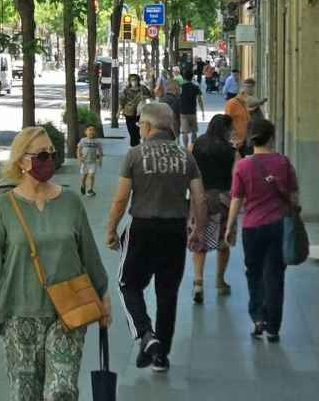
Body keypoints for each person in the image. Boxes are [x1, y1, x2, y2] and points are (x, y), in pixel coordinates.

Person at [0, 127, 110, 401]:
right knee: (25, 394)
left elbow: (89, 253)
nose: (49, 160)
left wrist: (104, 296)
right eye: (42, 155)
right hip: (19, 314)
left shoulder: (70, 202)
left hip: (67, 313)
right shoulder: (5, 207)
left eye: (52, 154)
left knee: (61, 391)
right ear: (21, 161)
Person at [105, 102, 206, 372]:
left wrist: (111, 229)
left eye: (140, 125)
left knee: (127, 283)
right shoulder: (186, 157)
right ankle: (161, 357)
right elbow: (199, 198)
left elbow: (121, 198)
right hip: (174, 231)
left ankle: (145, 334)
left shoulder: (135, 155)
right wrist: (198, 230)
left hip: (143, 229)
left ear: (148, 127)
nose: (139, 129)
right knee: (167, 294)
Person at [225, 119, 297, 343]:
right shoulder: (283, 163)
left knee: (254, 273)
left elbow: (236, 199)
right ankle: (274, 327)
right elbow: (294, 197)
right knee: (275, 275)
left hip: (252, 228)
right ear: (272, 137)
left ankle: (258, 318)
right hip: (278, 226)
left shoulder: (243, 166)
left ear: (250, 139)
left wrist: (230, 227)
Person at [187, 114, 237, 304]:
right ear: (225, 130)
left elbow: (189, 171)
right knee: (224, 241)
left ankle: (198, 283)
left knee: (199, 238)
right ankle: (220, 281)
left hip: (200, 198)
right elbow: (237, 177)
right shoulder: (231, 151)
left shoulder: (197, 145)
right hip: (223, 199)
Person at [225, 78, 256, 157]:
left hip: (245, 141)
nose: (250, 90)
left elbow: (246, 120)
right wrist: (233, 139)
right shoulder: (232, 103)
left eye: (252, 87)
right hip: (236, 142)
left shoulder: (245, 103)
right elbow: (226, 122)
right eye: (248, 87)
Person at [120, 73, 153, 147]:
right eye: (131, 80)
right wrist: (118, 112)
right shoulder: (126, 90)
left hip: (141, 113)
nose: (133, 81)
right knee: (131, 130)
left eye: (135, 79)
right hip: (129, 114)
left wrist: (146, 100)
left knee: (138, 131)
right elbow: (122, 101)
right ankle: (135, 145)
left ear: (138, 80)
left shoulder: (143, 88)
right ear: (129, 81)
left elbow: (150, 97)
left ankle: (136, 146)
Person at [178, 76, 205, 147]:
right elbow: (199, 100)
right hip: (192, 112)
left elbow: (177, 98)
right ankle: (193, 146)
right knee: (194, 131)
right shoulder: (196, 87)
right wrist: (202, 111)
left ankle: (186, 148)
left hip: (183, 112)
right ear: (192, 77)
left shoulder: (180, 87)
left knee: (184, 132)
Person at [77, 125, 103, 197]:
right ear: (86, 132)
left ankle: (90, 190)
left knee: (91, 176)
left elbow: (100, 151)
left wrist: (100, 160)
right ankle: (83, 185)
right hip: (84, 162)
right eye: (89, 130)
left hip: (93, 162)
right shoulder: (83, 140)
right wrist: (79, 158)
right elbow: (79, 149)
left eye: (93, 130)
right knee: (84, 176)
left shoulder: (97, 141)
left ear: (95, 132)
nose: (91, 131)